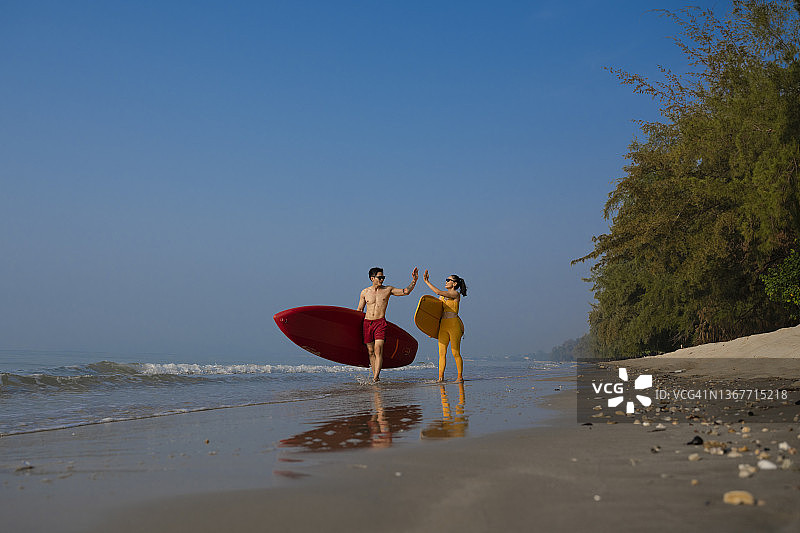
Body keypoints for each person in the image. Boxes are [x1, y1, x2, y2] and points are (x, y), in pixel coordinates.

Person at [357, 266, 418, 382]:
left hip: (380, 323)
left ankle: (376, 377)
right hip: (367, 323)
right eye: (380, 277)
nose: (382, 280)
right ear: (372, 278)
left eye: (383, 277)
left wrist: (414, 281)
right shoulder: (365, 292)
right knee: (370, 351)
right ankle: (375, 375)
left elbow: (406, 292)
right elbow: (360, 309)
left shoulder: (387, 290)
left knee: (378, 348)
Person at [423, 270, 467, 383]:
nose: (446, 282)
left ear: (455, 283)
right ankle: (440, 378)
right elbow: (436, 313)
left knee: (455, 352)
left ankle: (459, 377)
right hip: (443, 326)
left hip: (454, 325)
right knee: (441, 353)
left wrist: (427, 281)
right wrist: (431, 329)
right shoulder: (442, 298)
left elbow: (438, 292)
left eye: (448, 280)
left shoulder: (455, 294)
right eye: (446, 280)